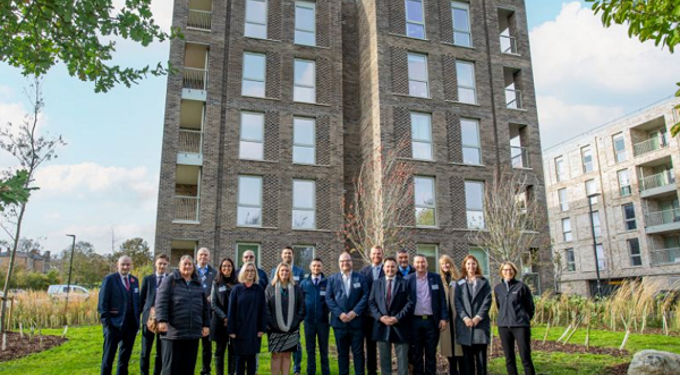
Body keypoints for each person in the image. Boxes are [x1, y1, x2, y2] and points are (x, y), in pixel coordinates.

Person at [155, 255, 211, 375]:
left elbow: (205, 306)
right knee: (170, 369)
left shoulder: (198, 283)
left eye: (190, 264)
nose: (187, 266)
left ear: (193, 267)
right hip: (173, 333)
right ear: (179, 266)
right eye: (184, 264)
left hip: (192, 333)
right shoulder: (170, 280)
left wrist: (206, 324)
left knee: (188, 368)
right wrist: (162, 320)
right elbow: (161, 301)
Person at [325, 252, 369, 375]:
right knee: (342, 354)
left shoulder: (360, 278)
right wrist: (340, 314)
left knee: (358, 353)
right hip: (340, 323)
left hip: (357, 323)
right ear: (339, 263)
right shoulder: (332, 279)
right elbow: (328, 298)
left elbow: (365, 296)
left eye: (347, 260)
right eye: (342, 261)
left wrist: (355, 312)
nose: (345, 263)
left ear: (351, 262)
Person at [368, 257, 413, 375]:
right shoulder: (376, 283)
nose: (390, 269)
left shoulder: (404, 283)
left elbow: (410, 303)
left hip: (400, 325)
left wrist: (397, 318)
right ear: (383, 268)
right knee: (384, 361)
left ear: (396, 268)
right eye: (387, 266)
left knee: (402, 361)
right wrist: (380, 317)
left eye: (393, 266)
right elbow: (371, 302)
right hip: (382, 325)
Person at [406, 254, 448, 375]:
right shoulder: (408, 280)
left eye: (423, 262)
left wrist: (444, 318)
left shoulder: (435, 278)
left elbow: (442, 300)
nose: (420, 265)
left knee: (431, 353)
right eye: (418, 262)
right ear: (414, 265)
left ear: (427, 263)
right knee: (417, 353)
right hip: (414, 321)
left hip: (432, 321)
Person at [98, 255, 141, 375]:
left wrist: (137, 322)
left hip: (130, 326)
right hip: (113, 326)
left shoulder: (134, 280)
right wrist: (107, 324)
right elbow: (102, 304)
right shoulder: (110, 280)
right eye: (123, 264)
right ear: (118, 265)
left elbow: (136, 302)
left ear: (131, 265)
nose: (125, 267)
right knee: (108, 358)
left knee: (124, 359)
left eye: (128, 264)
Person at [495, 261, 536, 375]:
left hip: (520, 326)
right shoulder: (498, 288)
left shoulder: (522, 287)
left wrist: (524, 318)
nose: (508, 272)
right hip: (504, 327)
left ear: (514, 271)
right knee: (509, 358)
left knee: (525, 357)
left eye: (510, 269)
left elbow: (530, 307)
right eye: (505, 270)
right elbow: (499, 306)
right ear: (501, 272)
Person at [269, 246, 305, 375]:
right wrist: (271, 323)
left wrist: (296, 321)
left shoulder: (296, 288)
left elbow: (302, 306)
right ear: (278, 272)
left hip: (291, 325)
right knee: (276, 355)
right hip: (274, 326)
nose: (284, 273)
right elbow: (266, 307)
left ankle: (291, 372)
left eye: (287, 271)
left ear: (290, 272)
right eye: (282, 271)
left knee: (287, 355)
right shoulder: (270, 288)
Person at [455, 255, 492, 375]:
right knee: (467, 363)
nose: (471, 266)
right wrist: (465, 318)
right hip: (465, 325)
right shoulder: (459, 283)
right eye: (468, 264)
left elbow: (487, 300)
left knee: (481, 361)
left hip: (480, 326)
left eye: (473, 263)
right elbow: (457, 302)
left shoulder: (484, 282)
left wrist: (477, 317)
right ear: (465, 266)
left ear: (477, 265)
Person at [228, 262, 267, 375]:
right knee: (240, 358)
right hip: (239, 330)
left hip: (254, 329)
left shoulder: (259, 289)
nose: (250, 273)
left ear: (255, 273)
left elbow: (263, 310)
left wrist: (261, 329)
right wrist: (231, 330)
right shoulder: (236, 289)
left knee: (251, 358)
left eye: (252, 271)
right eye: (247, 270)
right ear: (243, 273)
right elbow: (231, 311)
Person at [299, 258, 330, 375]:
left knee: (324, 350)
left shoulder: (327, 283)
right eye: (314, 266)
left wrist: (325, 313)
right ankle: (310, 372)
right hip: (309, 322)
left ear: (322, 267)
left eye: (318, 266)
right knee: (310, 350)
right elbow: (301, 302)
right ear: (310, 267)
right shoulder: (304, 283)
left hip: (323, 322)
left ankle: (325, 372)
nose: (316, 268)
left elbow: (330, 300)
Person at [140, 254, 170, 375]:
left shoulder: (170, 279)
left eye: (164, 264)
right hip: (148, 320)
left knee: (160, 352)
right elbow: (142, 299)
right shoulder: (148, 279)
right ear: (156, 264)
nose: (162, 266)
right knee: (145, 352)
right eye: (160, 263)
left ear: (167, 265)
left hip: (163, 320)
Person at [359, 245, 384, 375]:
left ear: (382, 254)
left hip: (383, 314)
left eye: (378, 253)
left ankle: (386, 370)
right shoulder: (364, 271)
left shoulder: (388, 269)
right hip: (367, 315)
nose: (376, 256)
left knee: (385, 345)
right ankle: (371, 371)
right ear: (370, 255)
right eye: (374, 253)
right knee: (369, 344)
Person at [211, 258, 238, 375]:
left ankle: (231, 373)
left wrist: (231, 318)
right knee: (220, 350)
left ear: (232, 268)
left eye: (229, 266)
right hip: (219, 321)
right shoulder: (216, 282)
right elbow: (213, 303)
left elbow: (239, 302)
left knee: (233, 350)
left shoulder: (237, 283)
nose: (226, 268)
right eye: (224, 266)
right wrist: (224, 317)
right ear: (220, 268)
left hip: (234, 321)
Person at [439, 255, 465, 375]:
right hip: (445, 317)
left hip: (458, 315)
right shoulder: (440, 280)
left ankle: (462, 369)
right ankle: (453, 369)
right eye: (443, 264)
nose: (445, 266)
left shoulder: (459, 280)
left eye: (447, 263)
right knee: (448, 346)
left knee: (459, 346)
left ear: (451, 264)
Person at [196, 247, 217, 375]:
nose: (203, 257)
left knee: (207, 344)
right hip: (194, 311)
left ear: (209, 257)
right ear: (197, 256)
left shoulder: (214, 273)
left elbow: (217, 288)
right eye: (201, 255)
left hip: (208, 313)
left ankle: (206, 370)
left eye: (206, 255)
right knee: (191, 343)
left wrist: (212, 296)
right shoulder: (191, 270)